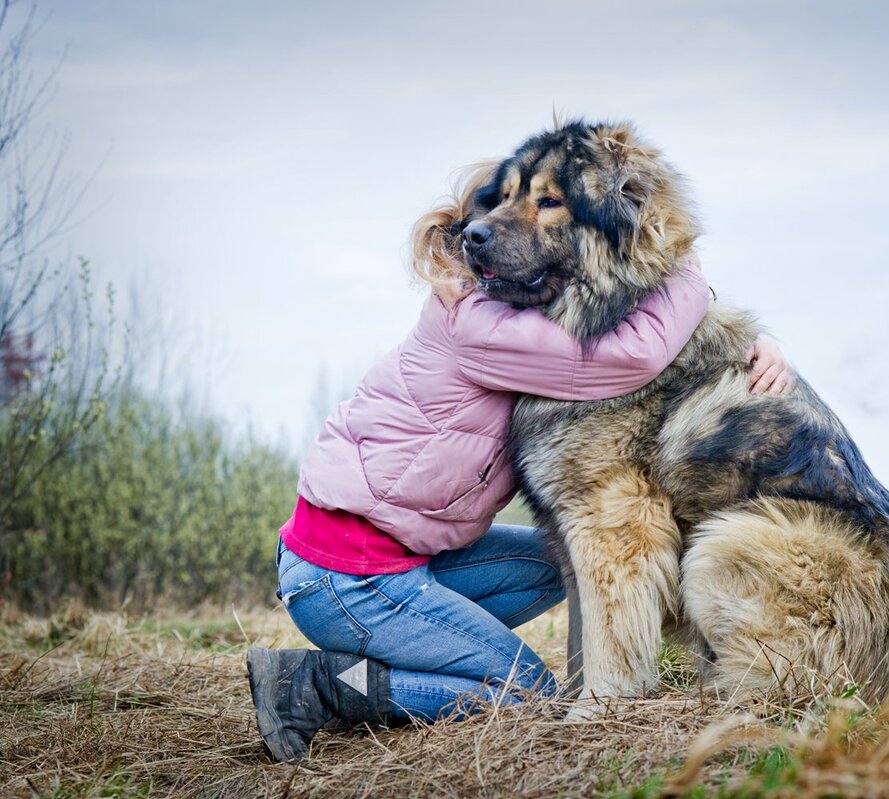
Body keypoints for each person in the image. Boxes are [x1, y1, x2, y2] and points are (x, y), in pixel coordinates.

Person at [245, 164, 797, 763]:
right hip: (348, 576)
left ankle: (404, 647)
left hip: (403, 561)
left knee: (557, 559)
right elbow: (632, 354)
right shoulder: (479, 325)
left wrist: (748, 344)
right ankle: (323, 688)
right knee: (523, 693)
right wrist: (685, 267)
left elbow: (625, 316)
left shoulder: (519, 313)